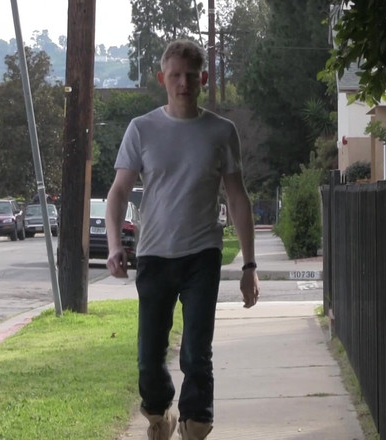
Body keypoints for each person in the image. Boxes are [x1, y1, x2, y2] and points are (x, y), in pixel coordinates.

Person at [105, 39, 259, 440]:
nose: (184, 83)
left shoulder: (221, 131)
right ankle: (161, 415)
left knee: (196, 352)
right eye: (175, 75)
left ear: (203, 79)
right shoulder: (142, 129)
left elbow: (238, 198)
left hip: (202, 255)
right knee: (148, 356)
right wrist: (115, 246)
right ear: (162, 79)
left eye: (191, 76)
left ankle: (195, 424)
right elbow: (118, 193)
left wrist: (249, 266)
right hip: (154, 255)